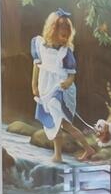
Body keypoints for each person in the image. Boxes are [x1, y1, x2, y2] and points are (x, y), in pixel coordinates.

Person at [30, 11, 79, 143]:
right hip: (45, 86)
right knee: (55, 123)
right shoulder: (40, 45)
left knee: (56, 113)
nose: (65, 36)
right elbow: (37, 66)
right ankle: (61, 154)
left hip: (60, 88)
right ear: (53, 29)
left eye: (67, 33)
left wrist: (67, 83)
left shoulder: (65, 52)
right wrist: (34, 85)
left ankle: (84, 148)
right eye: (62, 33)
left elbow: (71, 75)